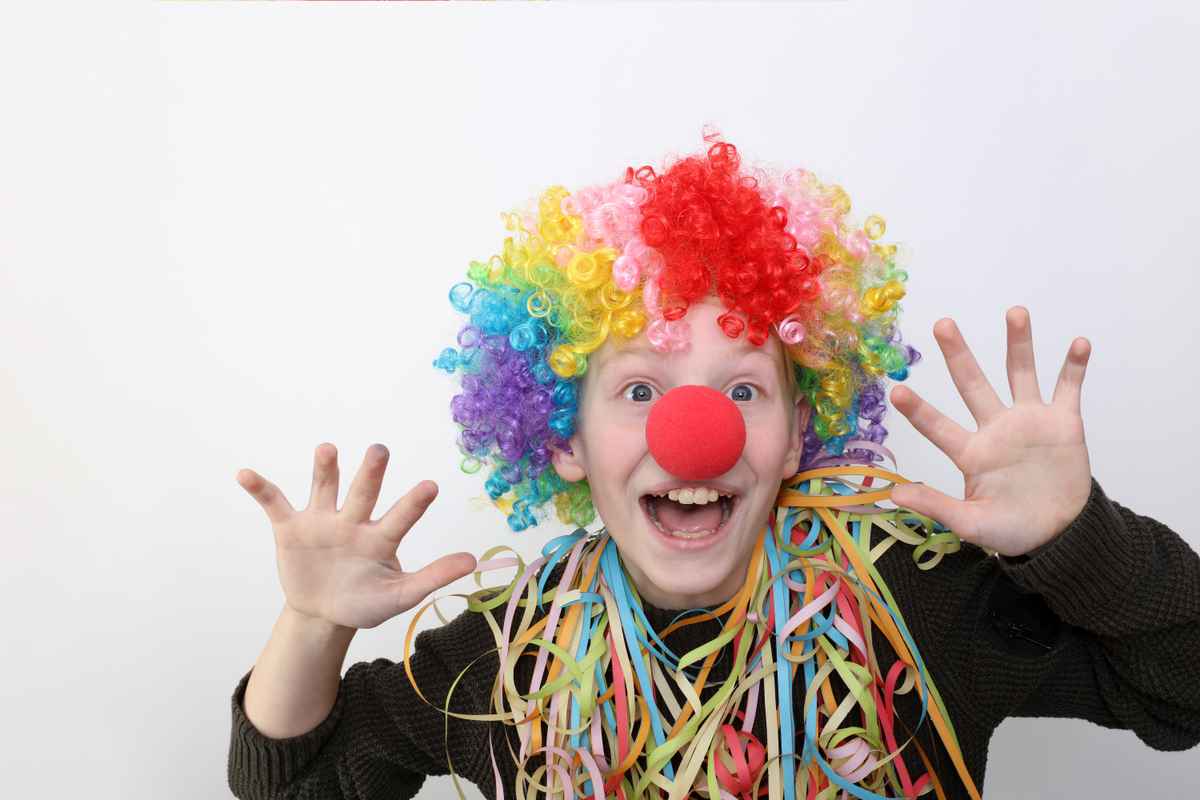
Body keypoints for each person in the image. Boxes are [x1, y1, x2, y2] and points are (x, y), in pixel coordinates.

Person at [227, 134, 1200, 800]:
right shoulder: (509, 655)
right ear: (565, 437)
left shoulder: (914, 604)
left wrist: (1078, 543)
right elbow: (298, 784)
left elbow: (1180, 690)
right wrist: (310, 626)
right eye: (638, 389)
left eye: (743, 389)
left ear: (797, 433)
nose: (699, 432)